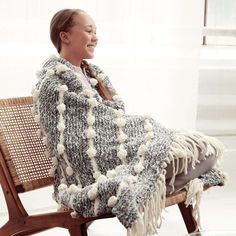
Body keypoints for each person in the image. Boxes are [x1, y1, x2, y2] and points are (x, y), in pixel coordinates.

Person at [32, 8, 226, 236]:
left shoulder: (92, 73)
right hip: (98, 165)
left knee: (208, 152)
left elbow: (113, 117)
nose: (95, 37)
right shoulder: (52, 84)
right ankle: (148, 187)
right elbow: (71, 139)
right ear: (65, 36)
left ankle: (146, 187)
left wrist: (132, 128)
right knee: (192, 156)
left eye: (96, 31)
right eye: (89, 30)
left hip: (120, 151)